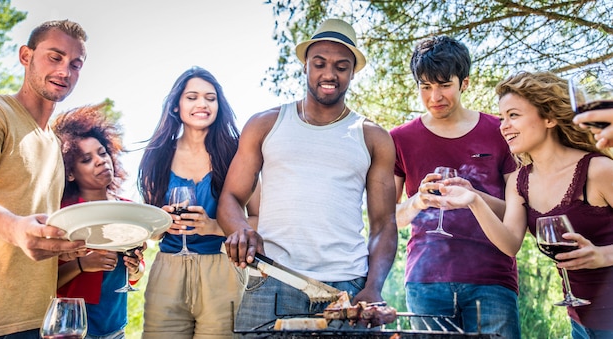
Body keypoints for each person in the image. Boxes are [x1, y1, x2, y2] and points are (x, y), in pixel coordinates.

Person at [217, 18, 398, 333]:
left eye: (341, 67)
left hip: (348, 288)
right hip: (272, 279)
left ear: (352, 72)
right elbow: (231, 198)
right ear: (305, 66)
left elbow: (383, 225)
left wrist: (374, 287)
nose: (329, 74)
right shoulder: (264, 124)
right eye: (320, 64)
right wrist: (241, 229)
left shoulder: (373, 137)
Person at [438, 71, 613, 338]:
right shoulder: (521, 180)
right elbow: (510, 243)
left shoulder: (598, 170)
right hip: (580, 322)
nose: (503, 126)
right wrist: (473, 200)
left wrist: (603, 256)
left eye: (514, 115)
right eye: (502, 118)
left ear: (550, 118)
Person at [389, 36, 520, 338]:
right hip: (425, 283)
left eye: (444, 84)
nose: (435, 96)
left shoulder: (500, 131)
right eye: (425, 86)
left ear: (465, 83)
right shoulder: (399, 139)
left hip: (492, 280)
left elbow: (517, 213)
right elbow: (387, 218)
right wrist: (418, 202)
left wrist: (474, 197)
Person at [137, 66, 259, 339]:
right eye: (192, 97)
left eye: (210, 98)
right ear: (176, 105)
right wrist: (160, 222)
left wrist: (215, 226)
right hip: (167, 272)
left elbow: (261, 219)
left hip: (222, 272)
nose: (202, 104)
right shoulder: (157, 155)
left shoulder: (235, 153)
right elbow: (151, 231)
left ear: (219, 105)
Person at [0, 20, 88, 338]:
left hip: (42, 320)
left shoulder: (53, 144)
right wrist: (17, 229)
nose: (65, 71)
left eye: (75, 64)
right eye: (54, 57)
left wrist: (63, 248)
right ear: (25, 56)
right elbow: (19, 227)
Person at [51, 104, 145, 339]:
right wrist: (82, 264)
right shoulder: (62, 214)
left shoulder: (130, 210)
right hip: (71, 329)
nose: (101, 161)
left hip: (115, 328)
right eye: (86, 159)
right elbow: (42, 281)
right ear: (70, 172)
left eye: (102, 153)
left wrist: (136, 267)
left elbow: (134, 274)